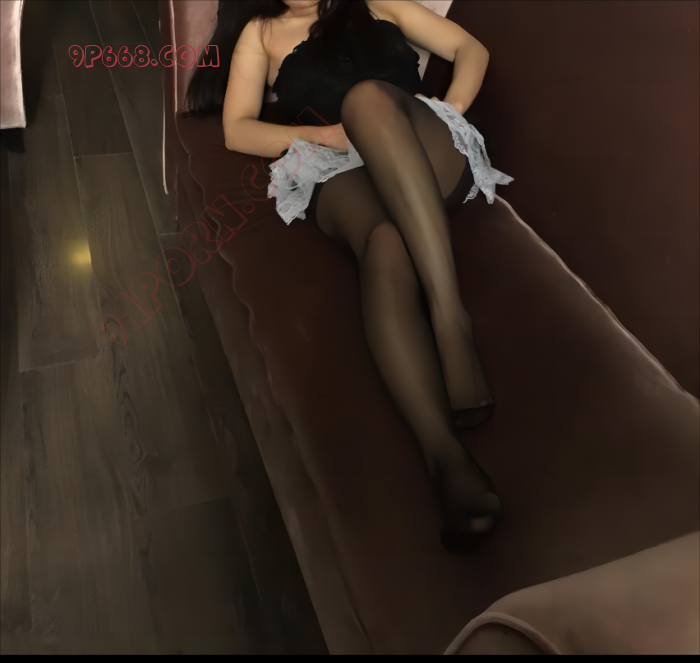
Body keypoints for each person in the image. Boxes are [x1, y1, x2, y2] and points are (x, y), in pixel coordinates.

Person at [186, 0, 514, 553]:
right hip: (339, 164)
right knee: (383, 243)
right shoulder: (261, 34)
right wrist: (330, 137)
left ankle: (449, 319)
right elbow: (237, 130)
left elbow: (469, 48)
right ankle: (446, 459)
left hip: (426, 152)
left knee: (367, 98)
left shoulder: (377, 1)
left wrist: (451, 110)